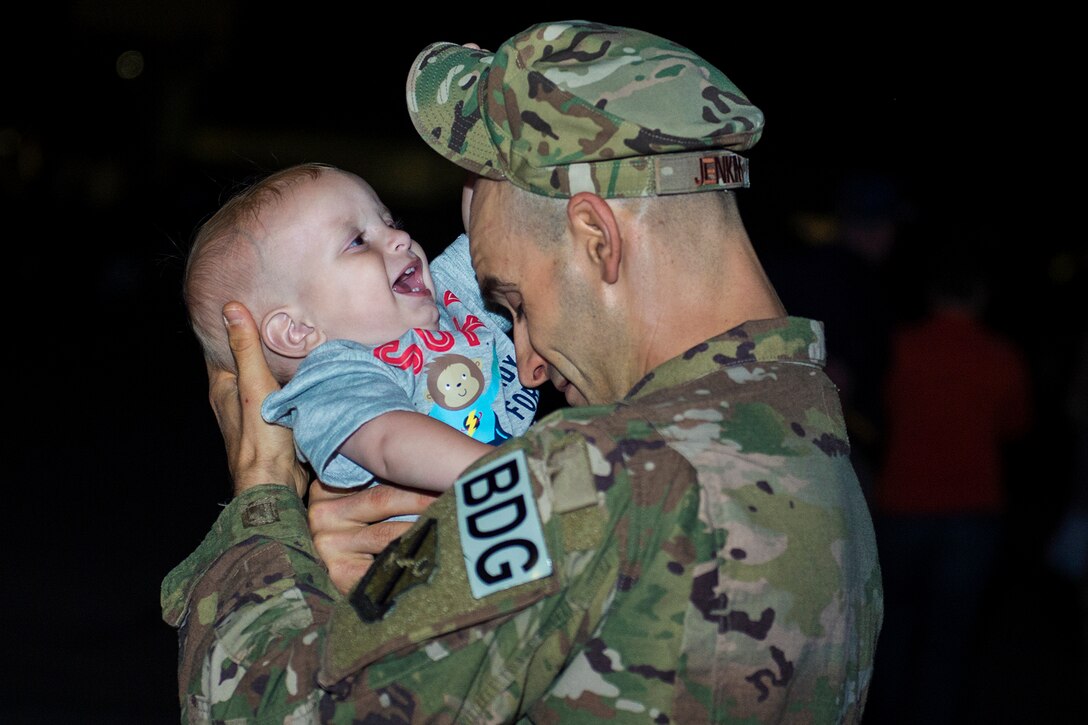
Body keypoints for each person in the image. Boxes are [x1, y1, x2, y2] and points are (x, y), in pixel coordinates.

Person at [163, 20, 883, 722]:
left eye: (512, 301)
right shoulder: (808, 441)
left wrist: (262, 505)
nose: (528, 361)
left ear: (598, 239)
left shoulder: (583, 483)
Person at [183, 162, 540, 500]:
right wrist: (520, 471)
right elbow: (388, 443)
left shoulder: (446, 302)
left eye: (389, 221)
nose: (400, 236)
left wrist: (488, 157)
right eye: (357, 241)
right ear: (297, 330)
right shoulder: (333, 380)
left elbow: (492, 232)